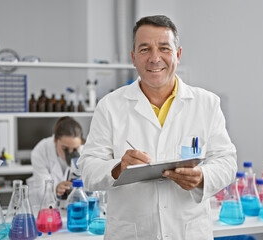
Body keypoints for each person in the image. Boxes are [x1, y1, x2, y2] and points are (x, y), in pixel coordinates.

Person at [78, 15, 237, 239]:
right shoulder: (110, 106)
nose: (155, 58)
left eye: (164, 48)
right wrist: (118, 167)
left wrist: (201, 176)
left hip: (189, 232)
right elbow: (88, 168)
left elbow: (227, 162)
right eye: (144, 49)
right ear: (133, 58)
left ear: (178, 55)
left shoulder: (207, 104)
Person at [27, 116, 83, 207]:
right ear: (55, 140)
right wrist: (55, 189)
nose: (70, 153)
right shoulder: (41, 150)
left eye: (75, 149)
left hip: (73, 207)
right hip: (43, 205)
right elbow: (42, 189)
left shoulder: (85, 151)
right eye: (64, 148)